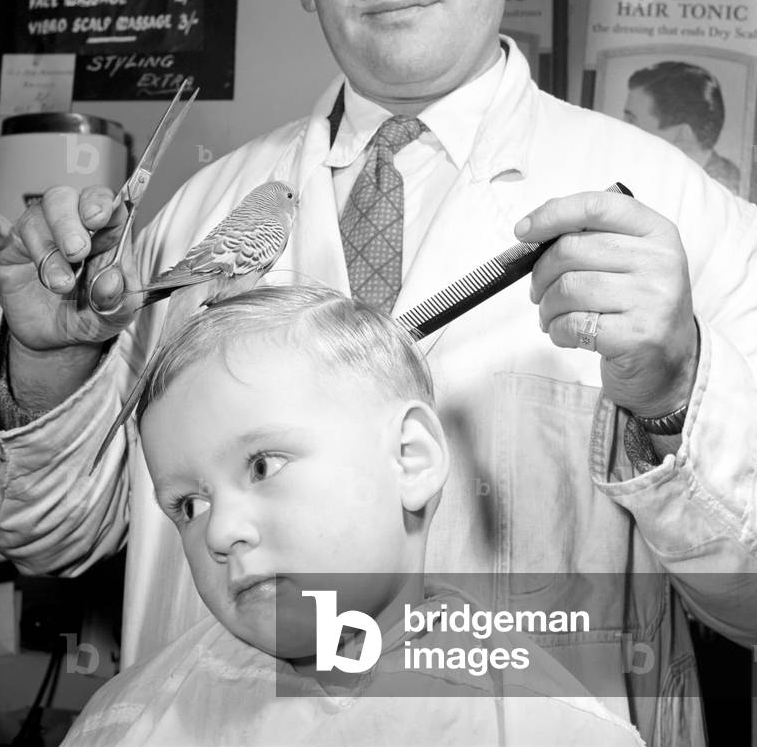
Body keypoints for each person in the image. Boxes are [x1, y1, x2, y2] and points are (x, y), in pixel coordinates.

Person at [0, 0, 757, 746]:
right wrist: (52, 366)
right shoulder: (191, 222)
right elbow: (43, 535)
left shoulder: (680, 214)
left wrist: (676, 387)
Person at [61, 285, 644, 747]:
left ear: (410, 459)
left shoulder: (551, 730)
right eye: (188, 505)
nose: (218, 531)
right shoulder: (123, 724)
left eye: (263, 465)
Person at [624, 61, 742, 194]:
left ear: (682, 134)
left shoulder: (730, 191)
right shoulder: (644, 175)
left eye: (631, 120)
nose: (620, 128)